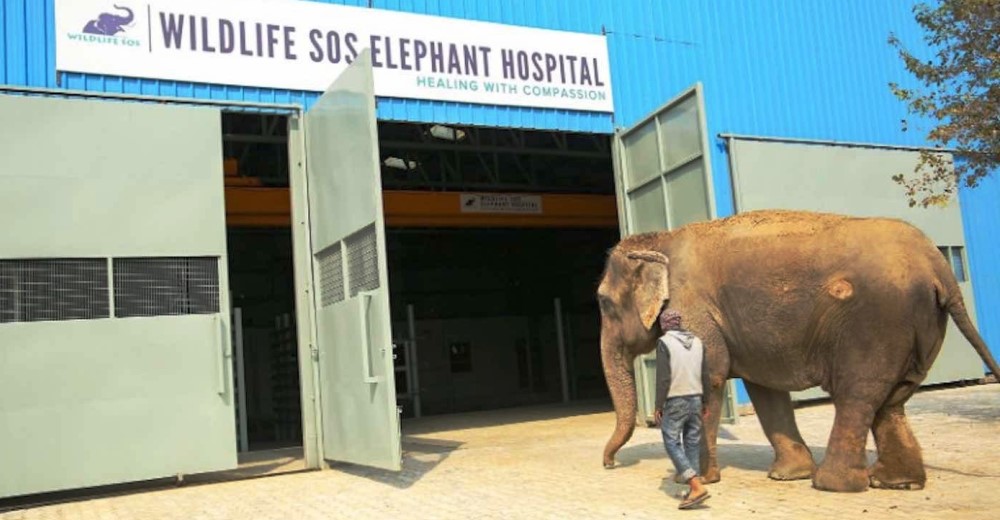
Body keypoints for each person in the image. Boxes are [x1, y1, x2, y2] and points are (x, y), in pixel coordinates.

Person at [653, 308, 711, 510]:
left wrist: (658, 405)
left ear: (664, 325)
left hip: (675, 399)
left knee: (670, 440)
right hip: (696, 398)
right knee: (692, 443)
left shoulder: (664, 343)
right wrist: (706, 402)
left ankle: (695, 484)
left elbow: (663, 377)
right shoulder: (697, 342)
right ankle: (694, 489)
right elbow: (705, 374)